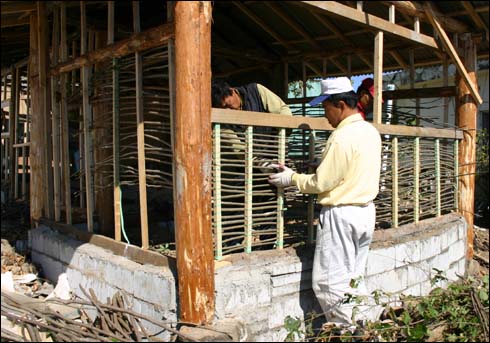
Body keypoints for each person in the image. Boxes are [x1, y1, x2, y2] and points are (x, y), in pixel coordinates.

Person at [268, 77, 382, 326]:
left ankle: (353, 333)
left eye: (325, 107)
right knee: (353, 279)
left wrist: (292, 178)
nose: (324, 113)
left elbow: (321, 184)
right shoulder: (369, 131)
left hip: (342, 215)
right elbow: (353, 168)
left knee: (328, 283)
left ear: (340, 104)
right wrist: (322, 167)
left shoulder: (341, 137)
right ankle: (367, 325)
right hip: (365, 213)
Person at [212, 80, 292, 115]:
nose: (228, 109)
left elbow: (283, 110)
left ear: (232, 91)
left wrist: (281, 138)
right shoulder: (224, 120)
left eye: (228, 104)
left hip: (273, 146)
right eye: (224, 108)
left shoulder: (256, 91)